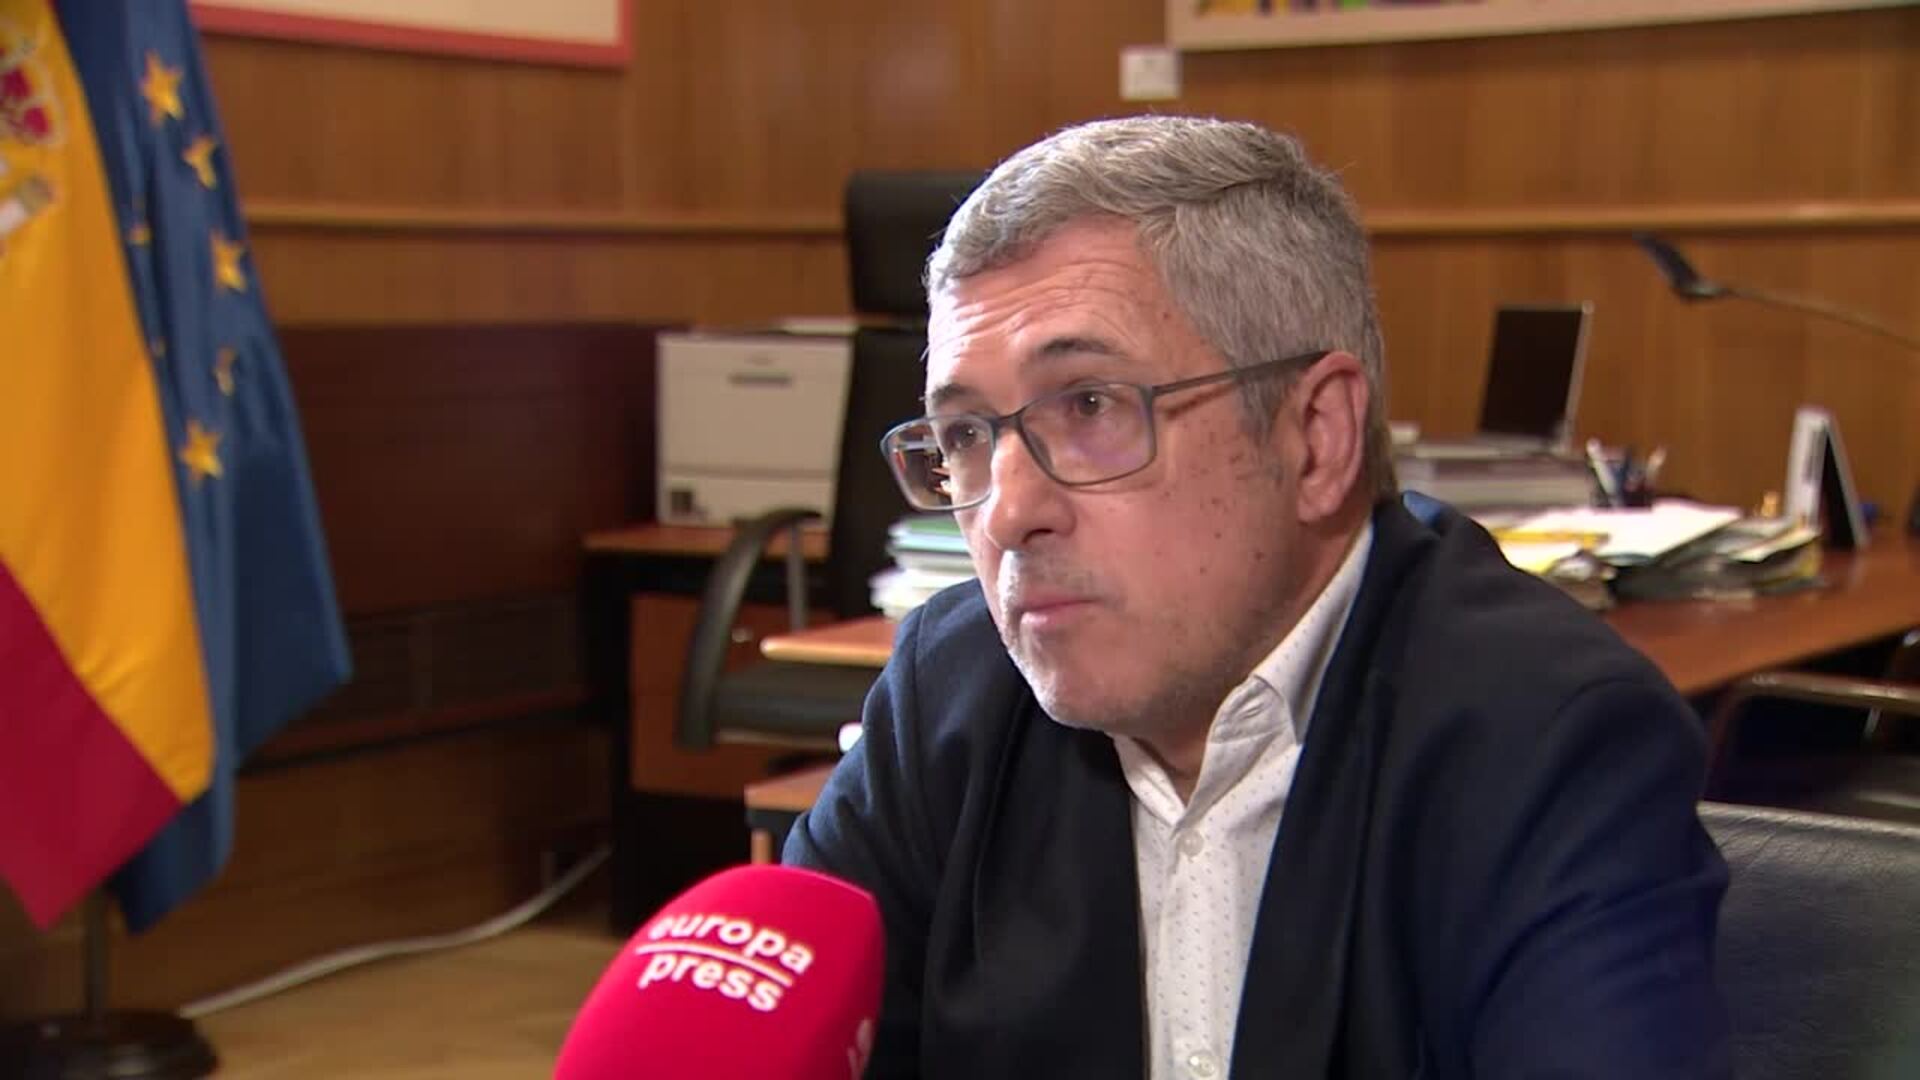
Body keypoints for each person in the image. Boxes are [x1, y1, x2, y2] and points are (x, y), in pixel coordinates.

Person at [785, 115, 1729, 1079]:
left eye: (1091, 406)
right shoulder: (948, 700)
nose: (1009, 511)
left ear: (1315, 438)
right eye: (966, 437)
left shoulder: (1548, 739)